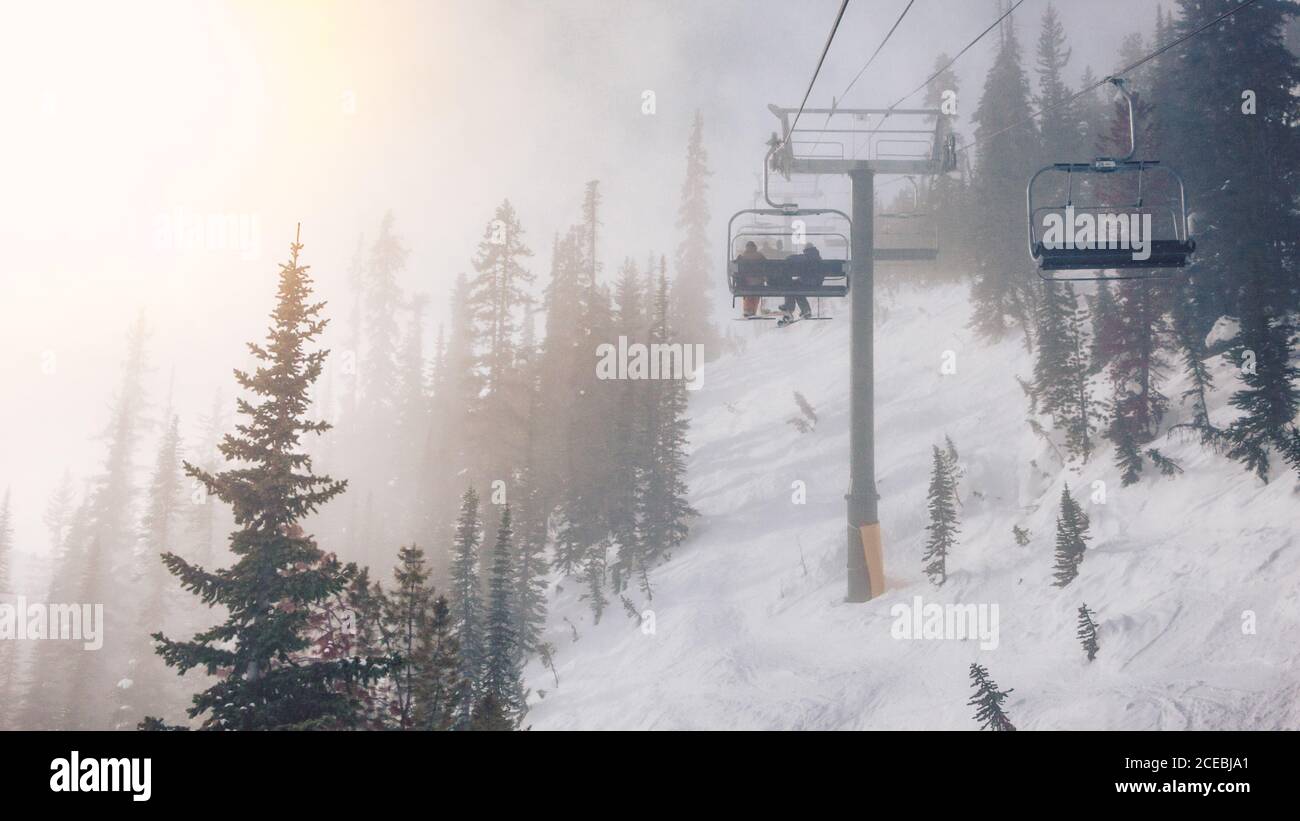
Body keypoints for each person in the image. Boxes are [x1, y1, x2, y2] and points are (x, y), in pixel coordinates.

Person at [778, 243, 823, 325]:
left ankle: (789, 308)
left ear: (806, 250)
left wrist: (788, 258)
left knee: (791, 286)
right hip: (817, 284)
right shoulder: (818, 257)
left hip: (807, 283)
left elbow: (794, 257)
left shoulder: (806, 257)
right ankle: (805, 310)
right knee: (797, 288)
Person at [736, 240, 766, 318]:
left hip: (746, 283)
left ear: (746, 248)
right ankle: (753, 310)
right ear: (755, 247)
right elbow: (767, 267)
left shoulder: (742, 256)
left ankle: (747, 310)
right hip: (759, 283)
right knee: (755, 295)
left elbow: (737, 271)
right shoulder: (760, 256)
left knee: (748, 295)